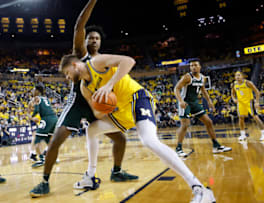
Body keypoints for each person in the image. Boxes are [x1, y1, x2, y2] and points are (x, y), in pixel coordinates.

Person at [57, 53, 216, 202]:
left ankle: (200, 188)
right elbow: (97, 113)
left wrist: (109, 85)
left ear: (74, 64)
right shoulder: (85, 88)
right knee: (91, 129)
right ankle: (90, 177)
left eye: (66, 73)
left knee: (149, 140)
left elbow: (129, 61)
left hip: (137, 98)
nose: (67, 77)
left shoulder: (96, 63)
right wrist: (102, 107)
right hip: (121, 112)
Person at [30, 0, 137, 197]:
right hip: (78, 103)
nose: (94, 40)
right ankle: (44, 182)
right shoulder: (81, 55)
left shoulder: (103, 61)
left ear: (100, 42)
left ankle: (117, 171)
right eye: (91, 38)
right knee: (56, 141)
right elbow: (79, 25)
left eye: (97, 38)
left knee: (120, 139)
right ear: (85, 41)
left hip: (97, 104)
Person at [174, 59, 232, 157]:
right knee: (185, 125)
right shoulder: (187, 77)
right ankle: (178, 148)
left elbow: (203, 90)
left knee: (208, 122)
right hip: (186, 103)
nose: (193, 67)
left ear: (200, 67)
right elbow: (176, 88)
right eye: (191, 65)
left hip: (195, 103)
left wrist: (209, 102)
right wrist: (180, 101)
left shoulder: (203, 78)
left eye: (195, 65)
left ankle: (216, 146)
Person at [28, 85, 58, 168]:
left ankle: (41, 156)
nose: (32, 91)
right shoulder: (44, 99)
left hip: (43, 119)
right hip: (44, 118)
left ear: (37, 91)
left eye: (33, 89)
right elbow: (29, 110)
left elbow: (35, 110)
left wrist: (31, 116)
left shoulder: (37, 99)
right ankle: (34, 154)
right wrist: (31, 117)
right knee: (41, 137)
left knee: (40, 138)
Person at [231, 71, 264, 141]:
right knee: (241, 118)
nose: (237, 77)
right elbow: (232, 94)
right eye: (236, 76)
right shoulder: (234, 84)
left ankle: (263, 133)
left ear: (242, 76)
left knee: (255, 117)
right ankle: (243, 135)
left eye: (239, 75)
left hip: (249, 102)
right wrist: (234, 99)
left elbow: (257, 92)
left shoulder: (248, 83)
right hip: (240, 103)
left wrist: (257, 102)